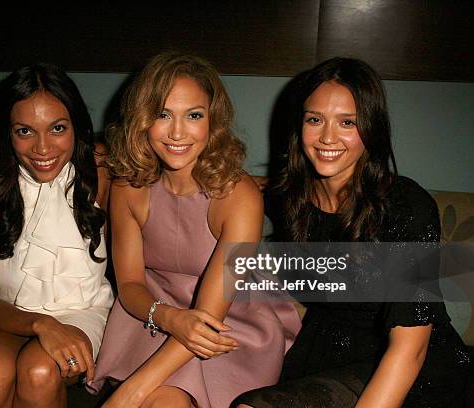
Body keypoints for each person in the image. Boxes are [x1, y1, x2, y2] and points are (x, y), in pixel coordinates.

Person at [232, 57, 470, 407]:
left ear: (371, 129)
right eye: (315, 120)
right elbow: (231, 186)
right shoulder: (289, 198)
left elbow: (411, 348)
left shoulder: (407, 207)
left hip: (410, 366)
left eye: (348, 122)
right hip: (322, 353)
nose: (328, 137)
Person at [87, 51, 301, 408]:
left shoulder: (239, 196)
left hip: (228, 321)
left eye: (194, 116)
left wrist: (127, 393)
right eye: (163, 114)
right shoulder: (128, 187)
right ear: (142, 119)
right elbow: (129, 286)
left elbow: (208, 319)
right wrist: (169, 316)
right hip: (152, 312)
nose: (177, 132)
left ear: (213, 121)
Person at [0, 63, 114, 407]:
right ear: (7, 133)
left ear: (77, 126)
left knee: (39, 370)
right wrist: (41, 324)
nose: (43, 148)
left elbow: (170, 189)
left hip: (84, 312)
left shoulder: (101, 170)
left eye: (57, 128)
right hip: (8, 314)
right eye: (25, 131)